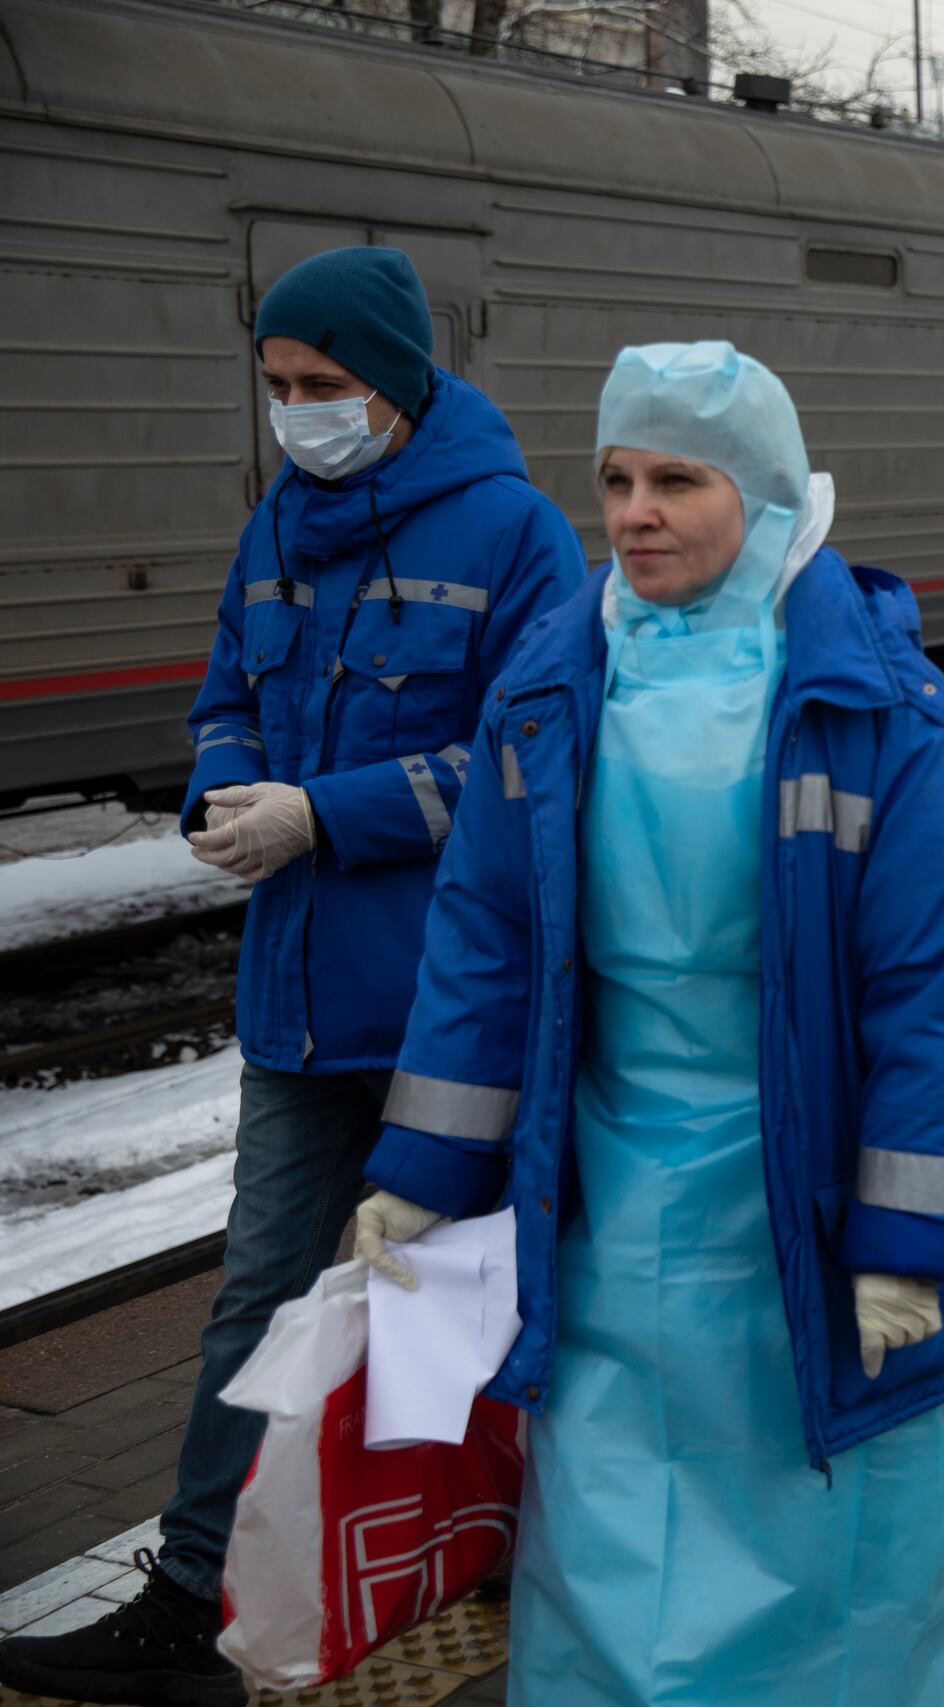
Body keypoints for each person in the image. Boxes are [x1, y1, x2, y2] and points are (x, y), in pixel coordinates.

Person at [347, 343, 944, 1703]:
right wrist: (421, 1173)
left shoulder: (891, 718)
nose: (636, 511)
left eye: (678, 479)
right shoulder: (552, 691)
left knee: (814, 1499)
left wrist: (910, 1237)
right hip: (610, 1186)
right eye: (616, 478)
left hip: (795, 1194)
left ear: (767, 493)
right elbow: (487, 944)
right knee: (614, 1489)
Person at [0, 248, 584, 1707]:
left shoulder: (515, 533)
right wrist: (227, 783)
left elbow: (531, 768)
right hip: (297, 1000)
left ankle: (464, 1529)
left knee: (445, 1285)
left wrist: (332, 811)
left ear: (392, 381)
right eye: (279, 389)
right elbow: (224, 693)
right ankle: (190, 1599)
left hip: (449, 1003)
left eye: (323, 387)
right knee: (258, 1291)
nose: (299, 414)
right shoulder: (276, 526)